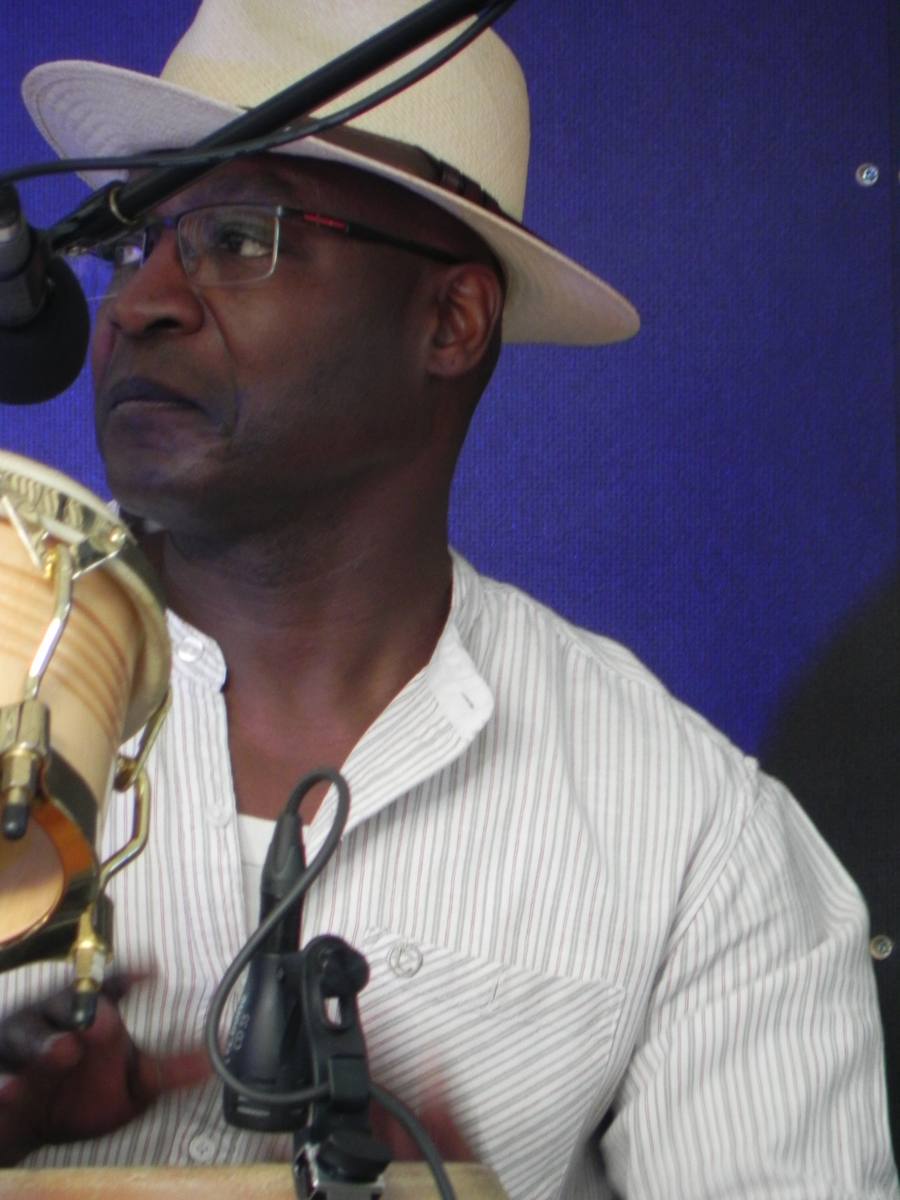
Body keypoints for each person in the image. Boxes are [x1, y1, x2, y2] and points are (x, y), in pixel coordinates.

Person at [0, 2, 896, 1197]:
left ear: (451, 320)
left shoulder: (694, 841)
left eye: (237, 235)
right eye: (135, 238)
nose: (138, 302)